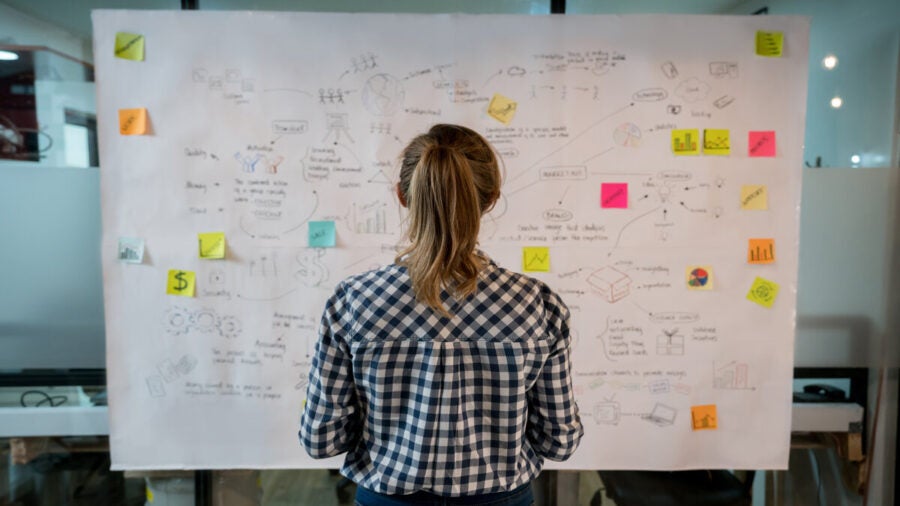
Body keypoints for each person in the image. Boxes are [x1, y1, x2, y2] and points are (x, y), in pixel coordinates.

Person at [300, 124, 583, 506]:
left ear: (402, 195)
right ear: (491, 199)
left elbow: (321, 439)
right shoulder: (538, 303)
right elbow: (560, 441)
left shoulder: (353, 301)